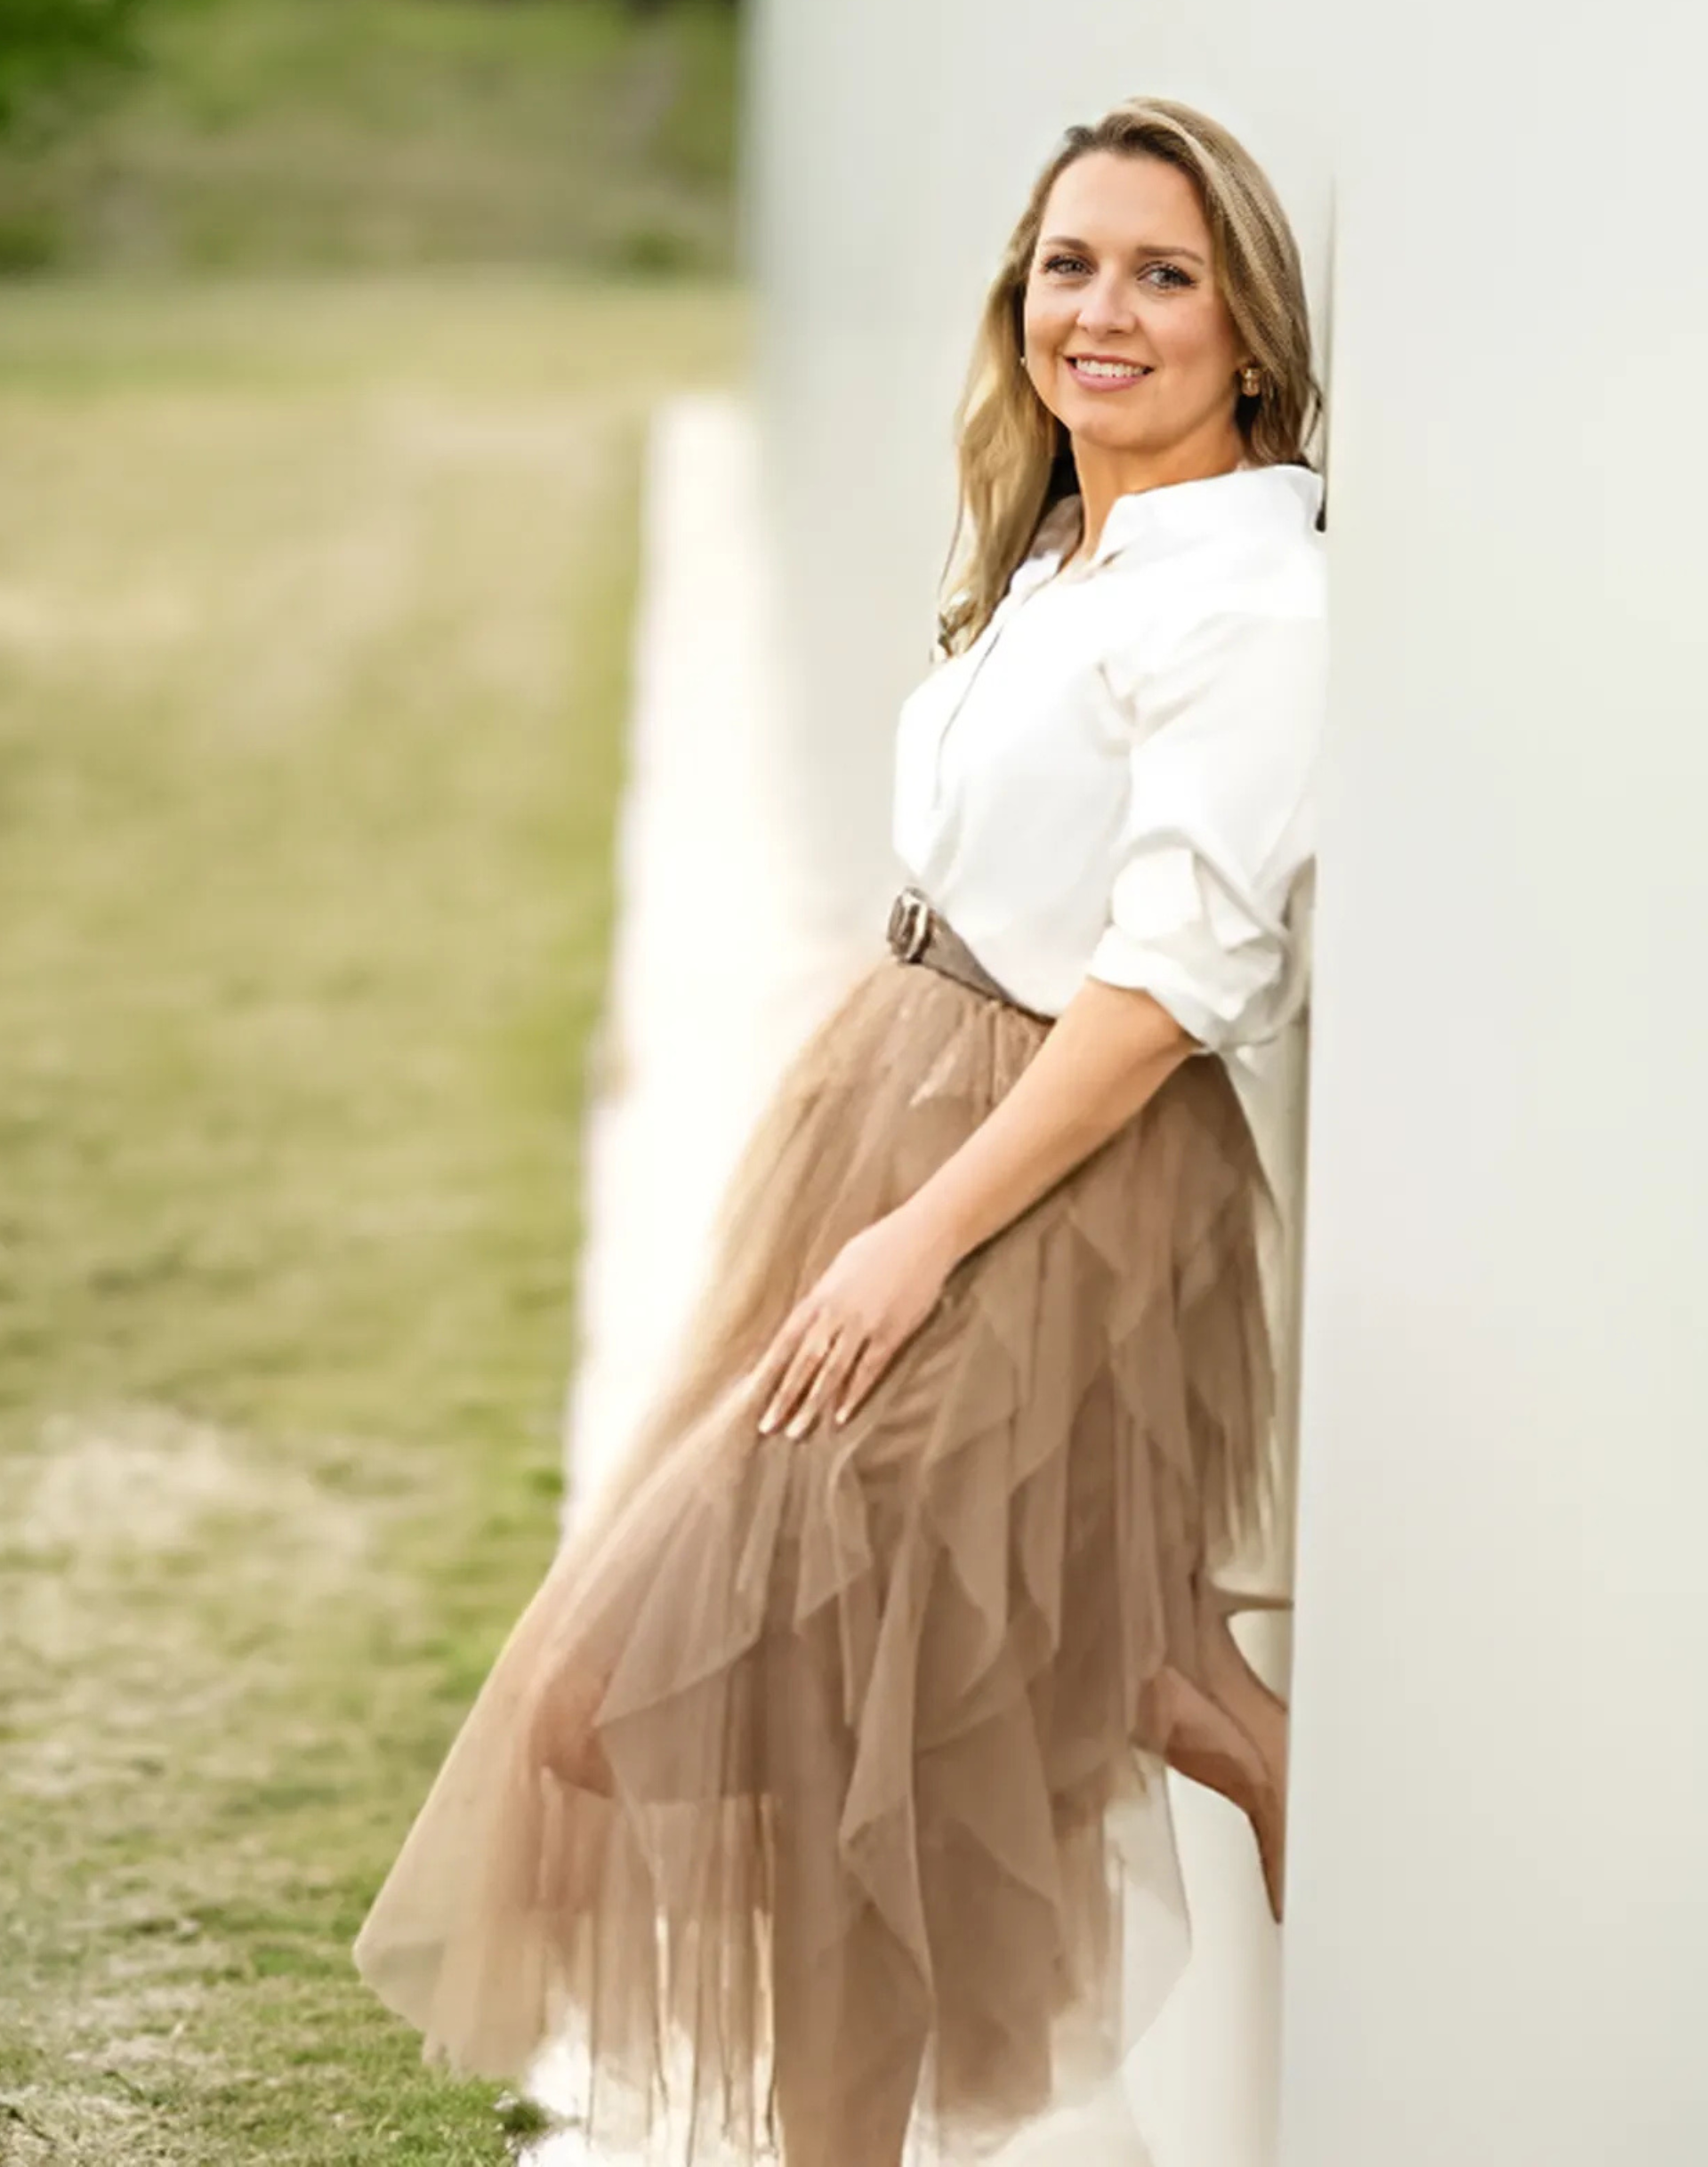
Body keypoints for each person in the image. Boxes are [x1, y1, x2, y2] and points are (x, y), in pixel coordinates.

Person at [353, 92, 1327, 2167]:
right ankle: (1153, 1686)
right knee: (852, 1737)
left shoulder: (1253, 596)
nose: (1102, 312)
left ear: (1249, 333)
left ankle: (1195, 1707)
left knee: (644, 1699)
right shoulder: (1072, 546)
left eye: (1164, 275)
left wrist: (918, 1237)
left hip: (1041, 1180)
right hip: (902, 1113)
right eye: (1070, 265)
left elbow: (1172, 985)